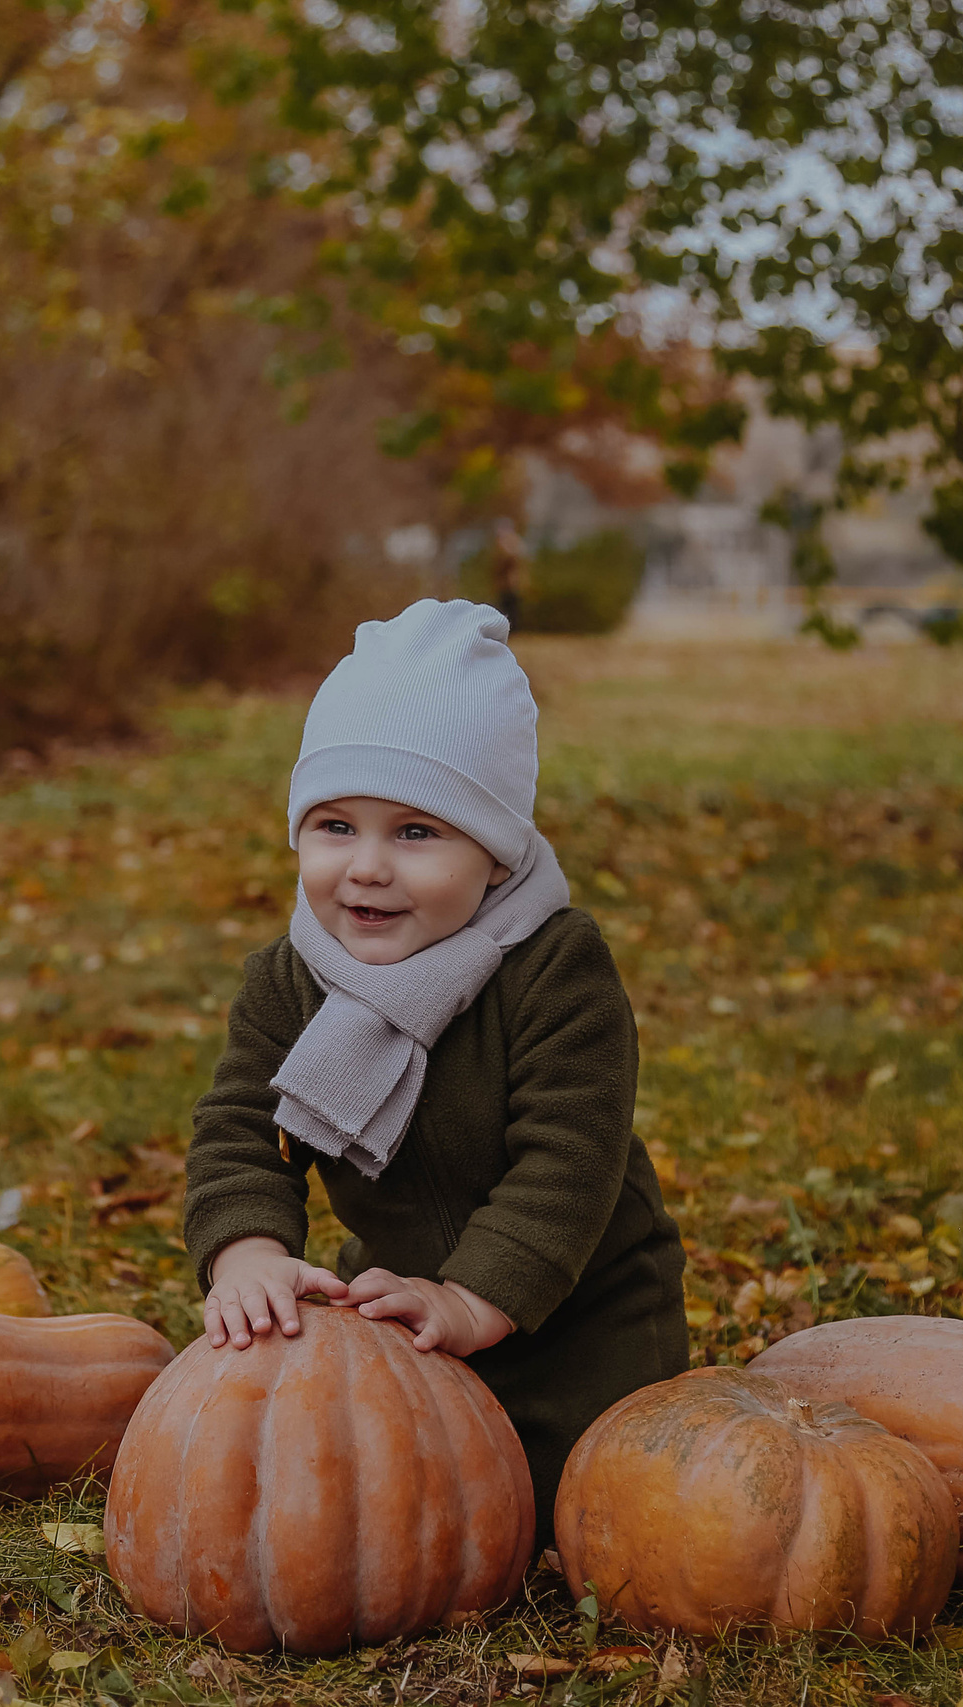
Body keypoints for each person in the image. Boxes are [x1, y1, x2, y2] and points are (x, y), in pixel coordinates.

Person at [182, 598, 686, 1538]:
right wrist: (247, 1252)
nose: (367, 867)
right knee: (357, 1506)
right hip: (401, 1312)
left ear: (495, 860)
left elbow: (568, 1164)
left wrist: (473, 1297)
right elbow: (243, 1131)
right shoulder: (289, 981)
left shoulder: (555, 971)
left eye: (416, 833)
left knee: (574, 1513)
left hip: (580, 1322)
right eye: (335, 825)